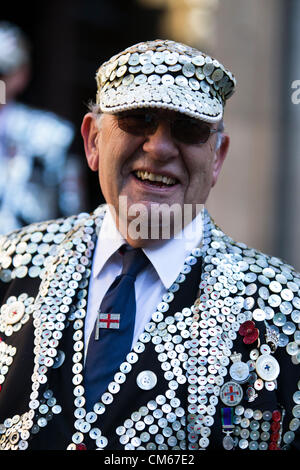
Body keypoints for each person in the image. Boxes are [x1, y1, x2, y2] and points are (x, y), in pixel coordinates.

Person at [0, 38, 299, 452]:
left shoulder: (286, 312)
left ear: (217, 158)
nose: (158, 148)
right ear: (93, 142)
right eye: (138, 120)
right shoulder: (10, 266)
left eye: (189, 128)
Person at [0, 21, 85, 233]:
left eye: (1, 72)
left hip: (26, 258)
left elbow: (74, 214)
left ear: (22, 74)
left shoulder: (51, 135)